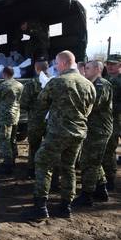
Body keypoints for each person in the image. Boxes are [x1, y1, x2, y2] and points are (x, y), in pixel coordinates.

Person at [27, 50, 96, 220]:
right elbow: (88, 110)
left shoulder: (56, 82)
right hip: (78, 133)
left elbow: (41, 105)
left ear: (64, 63)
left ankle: (40, 206)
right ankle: (66, 206)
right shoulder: (89, 84)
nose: (56, 67)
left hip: (58, 132)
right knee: (68, 167)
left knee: (43, 162)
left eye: (57, 63)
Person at [73, 60, 113, 206]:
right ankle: (101, 189)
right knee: (93, 160)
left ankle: (87, 195)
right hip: (94, 128)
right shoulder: (93, 84)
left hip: (99, 130)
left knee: (89, 162)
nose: (85, 70)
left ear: (97, 69)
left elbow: (94, 104)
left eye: (88, 68)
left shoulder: (102, 85)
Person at [0, 66, 23, 173]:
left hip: (5, 116)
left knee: (4, 140)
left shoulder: (3, 85)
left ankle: (8, 164)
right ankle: (14, 159)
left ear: (4, 74)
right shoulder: (20, 85)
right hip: (16, 115)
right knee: (12, 139)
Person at [20, 59, 49, 178]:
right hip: (52, 120)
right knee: (50, 146)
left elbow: (23, 103)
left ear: (36, 68)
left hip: (35, 120)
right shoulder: (55, 82)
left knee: (34, 146)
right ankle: (47, 171)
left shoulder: (31, 84)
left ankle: (32, 170)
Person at [102, 54, 121, 191]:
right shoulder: (106, 79)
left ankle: (110, 179)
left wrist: (111, 107)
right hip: (107, 120)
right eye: (108, 64)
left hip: (116, 119)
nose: (109, 66)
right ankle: (108, 179)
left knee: (109, 150)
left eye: (113, 64)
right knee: (108, 149)